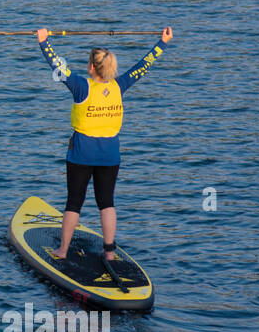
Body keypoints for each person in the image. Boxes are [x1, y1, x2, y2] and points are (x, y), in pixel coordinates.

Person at [36, 26, 173, 262]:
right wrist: (162, 43)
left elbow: (58, 67)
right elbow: (143, 66)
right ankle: (109, 252)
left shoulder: (81, 86)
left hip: (81, 155)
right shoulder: (120, 85)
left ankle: (63, 250)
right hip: (110, 156)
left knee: (74, 202)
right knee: (106, 202)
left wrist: (43, 42)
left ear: (91, 67)